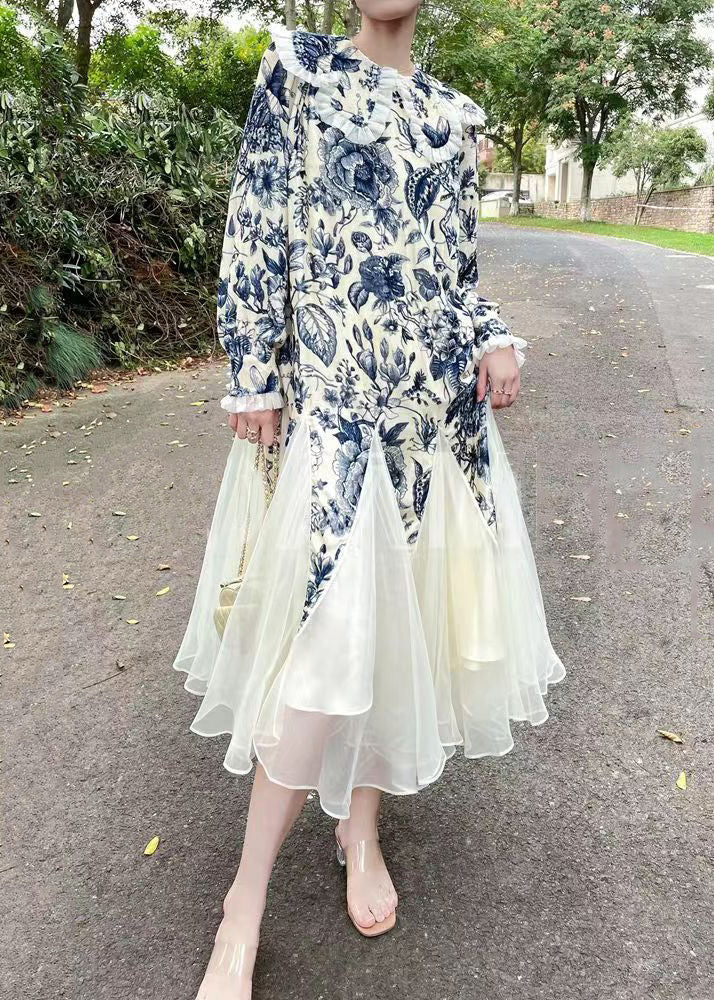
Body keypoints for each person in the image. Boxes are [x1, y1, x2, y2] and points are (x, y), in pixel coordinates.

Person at [172, 4, 566, 997]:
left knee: (401, 632)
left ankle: (361, 830)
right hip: (336, 407)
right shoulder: (298, 72)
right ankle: (244, 902)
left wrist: (493, 333)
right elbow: (257, 222)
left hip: (433, 419)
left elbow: (456, 271)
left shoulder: (453, 113)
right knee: (326, 648)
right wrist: (251, 371)